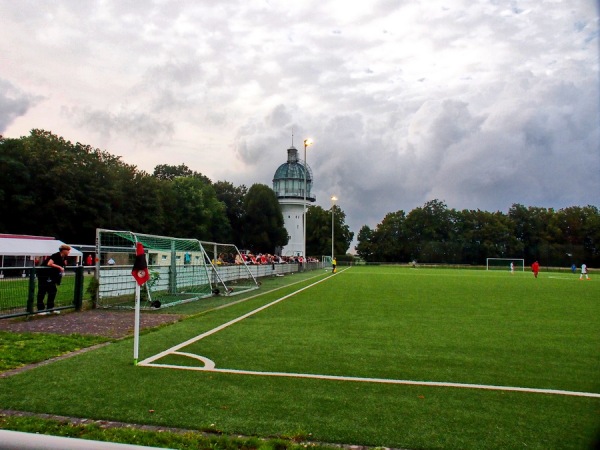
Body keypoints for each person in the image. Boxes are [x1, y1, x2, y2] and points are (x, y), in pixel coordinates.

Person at [37, 244, 71, 314]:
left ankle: (50, 308)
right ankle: (40, 309)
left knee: (52, 291)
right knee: (42, 291)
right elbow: (49, 263)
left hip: (51, 276)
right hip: (44, 275)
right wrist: (59, 267)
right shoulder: (56, 255)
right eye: (68, 250)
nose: (69, 252)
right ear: (64, 250)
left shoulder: (64, 257)